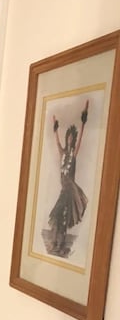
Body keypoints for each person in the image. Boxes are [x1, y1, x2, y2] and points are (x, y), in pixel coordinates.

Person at [46, 100, 89, 257]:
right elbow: (57, 141)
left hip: (70, 190)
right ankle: (56, 243)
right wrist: (55, 126)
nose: (70, 139)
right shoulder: (63, 153)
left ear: (74, 139)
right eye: (68, 137)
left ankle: (60, 244)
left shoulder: (73, 155)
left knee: (63, 217)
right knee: (57, 215)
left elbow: (82, 137)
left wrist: (84, 119)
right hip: (63, 189)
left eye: (72, 137)